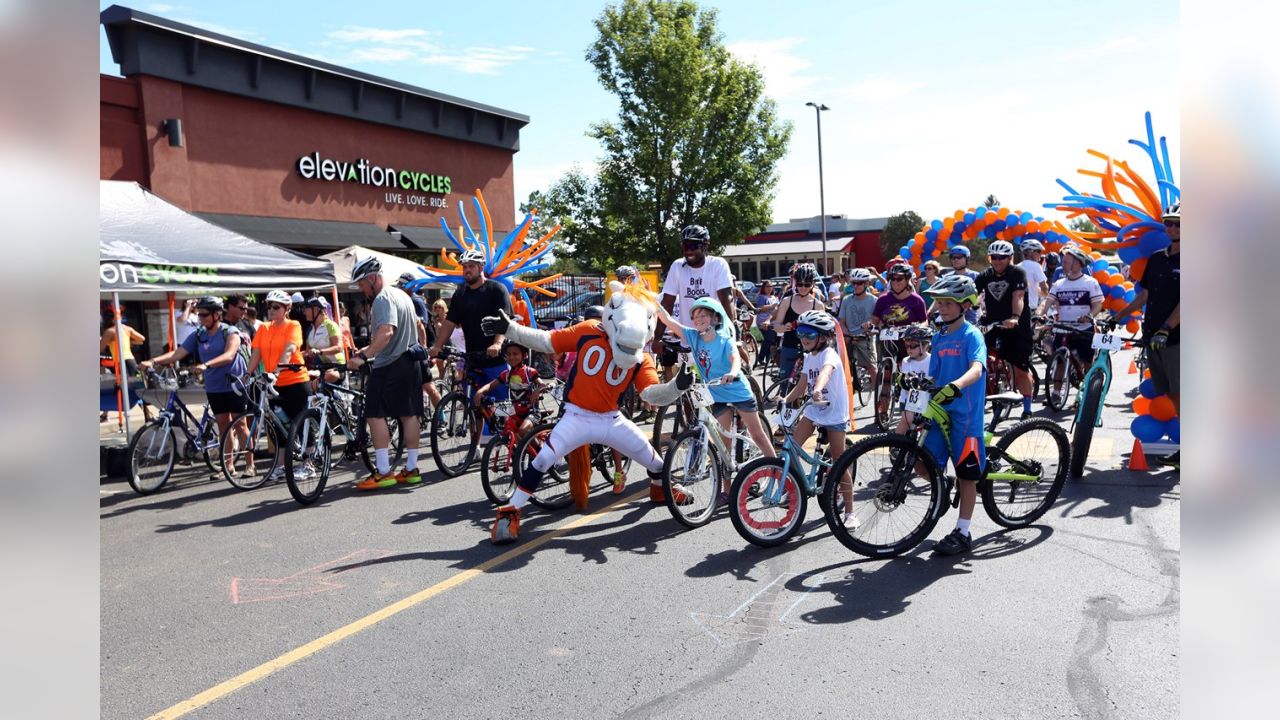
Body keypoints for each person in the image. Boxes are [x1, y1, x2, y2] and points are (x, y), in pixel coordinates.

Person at [481, 282, 694, 543]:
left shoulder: (641, 357)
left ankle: (661, 489)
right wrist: (510, 329)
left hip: (611, 419)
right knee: (542, 460)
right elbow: (547, 341)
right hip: (577, 415)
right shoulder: (588, 331)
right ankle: (510, 511)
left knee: (656, 463)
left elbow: (650, 394)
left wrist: (675, 387)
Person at [654, 297, 776, 499]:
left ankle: (778, 473)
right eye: (695, 317)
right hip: (716, 392)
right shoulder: (693, 336)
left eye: (703, 315)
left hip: (736, 388)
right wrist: (651, 300)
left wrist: (732, 372)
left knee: (758, 435)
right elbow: (666, 319)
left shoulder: (724, 339)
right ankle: (727, 490)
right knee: (724, 442)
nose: (698, 319)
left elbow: (735, 358)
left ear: (714, 319)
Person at [141, 297, 250, 474]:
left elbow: (230, 355)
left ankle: (249, 464)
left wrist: (206, 365)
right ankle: (228, 466)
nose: (201, 318)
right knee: (223, 425)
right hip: (214, 386)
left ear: (217, 314)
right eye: (199, 315)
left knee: (240, 425)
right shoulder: (199, 335)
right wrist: (152, 361)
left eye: (205, 315)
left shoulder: (230, 332)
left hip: (234, 384)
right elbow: (177, 354)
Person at [920, 274, 988, 556]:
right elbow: (932, 374)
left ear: (964, 305)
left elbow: (976, 367)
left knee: (967, 477)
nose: (942, 308)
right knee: (921, 465)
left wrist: (957, 385)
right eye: (940, 302)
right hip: (939, 413)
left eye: (949, 303)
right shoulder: (938, 337)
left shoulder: (971, 334)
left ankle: (963, 531)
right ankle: (942, 484)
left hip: (965, 416)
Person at [1113, 203, 1180, 468]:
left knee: (1184, 396)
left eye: (1179, 223)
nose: (1173, 227)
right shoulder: (1156, 257)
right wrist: (1118, 316)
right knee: (1174, 397)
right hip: (1153, 337)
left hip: (1177, 338)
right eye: (1170, 223)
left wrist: (1167, 327)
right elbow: (1145, 294)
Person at [348, 256, 424, 489]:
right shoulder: (402, 294)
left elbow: (387, 333)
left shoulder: (382, 299)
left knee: (374, 413)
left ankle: (383, 471)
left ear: (372, 278)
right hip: (410, 360)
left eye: (361, 284)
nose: (361, 290)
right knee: (408, 414)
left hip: (390, 364)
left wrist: (363, 356)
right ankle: (411, 468)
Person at [779, 309, 854, 526]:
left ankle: (850, 511)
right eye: (801, 333)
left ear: (824, 337)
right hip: (813, 410)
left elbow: (825, 373)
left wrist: (819, 389)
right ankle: (796, 487)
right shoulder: (808, 356)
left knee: (840, 464)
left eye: (810, 335)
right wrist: (786, 398)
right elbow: (802, 384)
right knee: (789, 446)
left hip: (833, 413)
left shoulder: (829, 355)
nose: (803, 339)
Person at [427, 249, 513, 424]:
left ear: (481, 267)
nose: (467, 270)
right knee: (474, 407)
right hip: (472, 358)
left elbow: (504, 322)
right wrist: (437, 346)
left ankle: (511, 446)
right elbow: (450, 323)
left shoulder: (496, 289)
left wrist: (497, 344)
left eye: (471, 266)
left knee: (503, 409)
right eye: (464, 266)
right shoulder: (460, 294)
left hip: (496, 359)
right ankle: (477, 448)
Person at [245, 290, 312, 480]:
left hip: (295, 381)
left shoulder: (294, 325)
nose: (271, 310)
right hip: (272, 384)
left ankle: (308, 464)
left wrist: (276, 371)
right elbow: (256, 353)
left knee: (301, 422)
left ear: (287, 309)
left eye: (276, 307)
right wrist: (248, 374)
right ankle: (282, 466)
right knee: (279, 425)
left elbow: (290, 349)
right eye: (269, 306)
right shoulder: (263, 328)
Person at [654, 224, 735, 367]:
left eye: (693, 246)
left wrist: (731, 333)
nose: (688, 251)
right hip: (688, 339)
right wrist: (657, 338)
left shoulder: (718, 265)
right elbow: (667, 304)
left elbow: (726, 300)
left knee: (715, 382)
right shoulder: (678, 266)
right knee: (686, 386)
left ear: (705, 246)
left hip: (714, 336)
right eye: (685, 247)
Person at [976, 240, 1036, 418]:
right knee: (980, 360)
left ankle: (1027, 408)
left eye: (1002, 257)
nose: (997, 261)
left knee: (1020, 370)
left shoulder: (1017, 272)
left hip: (1016, 325)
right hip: (992, 323)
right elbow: (971, 295)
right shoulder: (985, 275)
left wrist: (1015, 317)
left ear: (1010, 258)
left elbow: (1018, 297)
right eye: (994, 257)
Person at [1039, 245, 1105, 385]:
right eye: (1063, 262)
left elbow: (1098, 304)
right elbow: (1047, 302)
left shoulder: (1090, 282)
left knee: (1087, 361)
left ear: (1077, 263)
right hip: (1062, 328)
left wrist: (1089, 316)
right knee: (1060, 360)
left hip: (1083, 328)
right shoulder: (1059, 284)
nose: (1062, 265)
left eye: (1066, 262)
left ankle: (1088, 390)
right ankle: (1056, 393)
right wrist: (1040, 315)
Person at [473, 342, 543, 455]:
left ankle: (542, 452)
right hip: (514, 410)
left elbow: (543, 385)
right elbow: (491, 385)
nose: (511, 357)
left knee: (523, 431)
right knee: (502, 425)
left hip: (532, 411)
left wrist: (537, 391)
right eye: (509, 354)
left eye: (515, 354)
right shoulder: (507, 374)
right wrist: (480, 392)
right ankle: (520, 453)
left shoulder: (529, 372)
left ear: (524, 355)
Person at [770, 262, 825, 386]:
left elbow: (823, 332)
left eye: (807, 285)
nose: (803, 288)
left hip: (811, 349)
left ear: (813, 285)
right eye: (800, 284)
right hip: (790, 346)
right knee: (785, 384)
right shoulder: (786, 301)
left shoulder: (818, 305)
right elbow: (776, 325)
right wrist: (783, 328)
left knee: (811, 384)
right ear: (795, 283)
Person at [100, 311, 152, 421]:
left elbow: (100, 348)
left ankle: (105, 414)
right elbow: (142, 339)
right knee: (137, 387)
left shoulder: (109, 331)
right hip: (131, 361)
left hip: (120, 362)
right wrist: (130, 341)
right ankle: (147, 413)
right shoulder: (127, 329)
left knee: (119, 387)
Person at [837, 268, 878, 400]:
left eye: (859, 283)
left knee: (872, 367)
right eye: (853, 283)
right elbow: (841, 322)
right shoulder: (847, 300)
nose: (856, 286)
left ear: (866, 284)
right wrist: (847, 334)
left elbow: (876, 320)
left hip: (865, 337)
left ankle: (879, 396)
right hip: (849, 336)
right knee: (841, 367)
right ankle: (843, 395)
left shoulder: (874, 300)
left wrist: (870, 324)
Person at [894, 325, 934, 435]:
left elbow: (933, 379)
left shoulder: (932, 360)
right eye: (906, 346)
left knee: (924, 429)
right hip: (908, 399)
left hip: (926, 399)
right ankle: (895, 446)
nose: (908, 349)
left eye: (913, 346)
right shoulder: (906, 361)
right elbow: (907, 386)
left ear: (925, 346)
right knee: (906, 423)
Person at [301, 296, 345, 387]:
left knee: (327, 377)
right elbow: (308, 352)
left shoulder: (331, 325)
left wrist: (320, 352)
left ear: (316, 309)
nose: (304, 312)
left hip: (337, 367)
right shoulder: (310, 329)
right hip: (321, 367)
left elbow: (339, 347)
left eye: (306, 309)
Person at [942, 246, 981, 323]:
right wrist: (929, 311)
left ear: (966, 259)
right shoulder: (946, 277)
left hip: (971, 319)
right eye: (953, 258)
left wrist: (973, 303)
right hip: (951, 319)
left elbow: (980, 296)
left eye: (959, 257)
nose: (956, 260)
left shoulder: (976, 276)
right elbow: (940, 297)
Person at [1018, 239, 1050, 314]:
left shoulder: (1017, 267)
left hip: (1016, 307)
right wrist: (1045, 295)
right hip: (1030, 307)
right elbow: (1044, 288)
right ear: (1030, 252)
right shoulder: (1036, 266)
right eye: (1038, 251)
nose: (1040, 254)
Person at [753, 280, 779, 367]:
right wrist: (772, 306)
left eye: (771, 286)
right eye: (767, 286)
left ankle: (769, 358)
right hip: (763, 321)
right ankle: (761, 358)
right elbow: (759, 309)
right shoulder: (762, 297)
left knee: (773, 339)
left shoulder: (774, 297)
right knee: (769, 338)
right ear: (763, 288)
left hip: (773, 321)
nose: (769, 288)